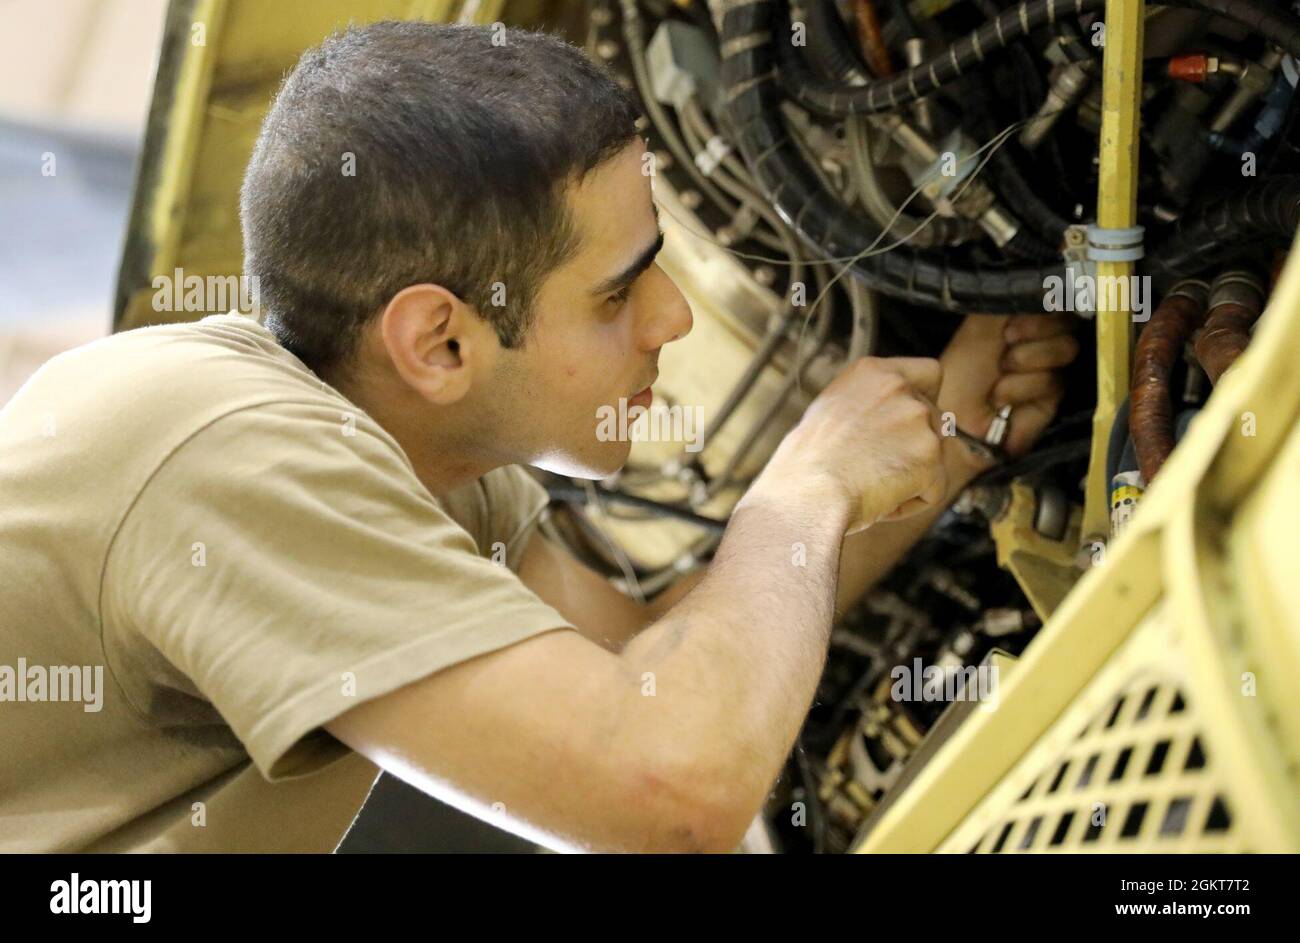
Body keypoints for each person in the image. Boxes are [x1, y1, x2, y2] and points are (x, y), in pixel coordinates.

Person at [0, 20, 1077, 852]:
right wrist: (801, 485)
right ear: (439, 341)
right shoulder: (221, 448)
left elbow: (643, 662)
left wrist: (935, 449)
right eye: (616, 294)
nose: (672, 318)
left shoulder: (409, 453)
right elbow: (667, 791)